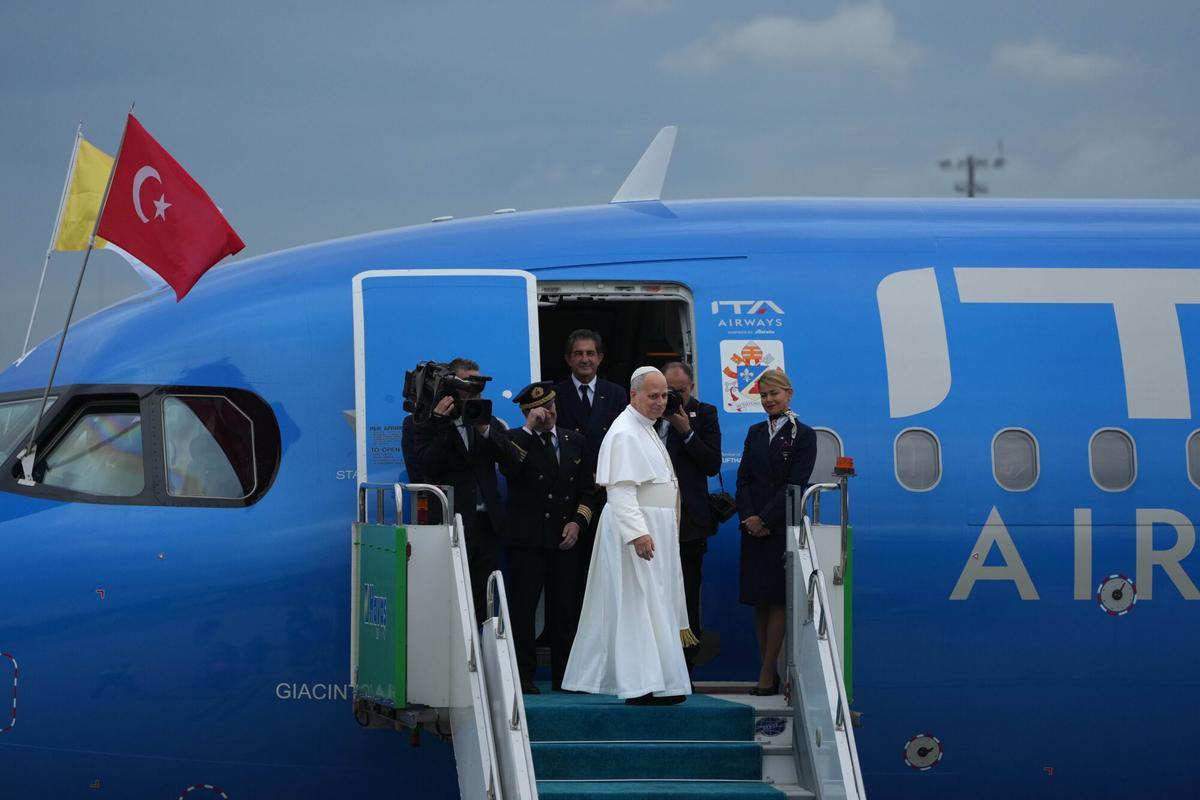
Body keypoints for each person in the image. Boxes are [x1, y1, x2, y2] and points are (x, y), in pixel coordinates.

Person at [562, 367, 692, 705]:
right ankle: (640, 684)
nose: (660, 402)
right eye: (653, 396)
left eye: (664, 395)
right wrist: (637, 533)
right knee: (636, 605)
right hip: (635, 530)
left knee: (653, 604)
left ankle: (660, 680)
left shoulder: (645, 428)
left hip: (653, 528)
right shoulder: (624, 432)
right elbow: (620, 491)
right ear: (634, 395)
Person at [500, 381, 595, 694]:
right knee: (523, 610)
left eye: (552, 407)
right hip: (528, 540)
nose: (548, 414)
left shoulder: (575, 441)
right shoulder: (515, 439)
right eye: (540, 410)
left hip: (563, 539)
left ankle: (566, 675)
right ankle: (523, 675)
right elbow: (512, 469)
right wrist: (529, 429)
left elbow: (588, 490)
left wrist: (578, 522)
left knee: (564, 610)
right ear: (528, 412)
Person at [412, 357, 521, 623]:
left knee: (485, 601)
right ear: (450, 387)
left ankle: (486, 656)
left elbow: (513, 459)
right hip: (450, 527)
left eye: (478, 385)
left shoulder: (488, 421)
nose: (475, 391)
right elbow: (427, 466)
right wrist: (441, 423)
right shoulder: (424, 422)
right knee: (452, 601)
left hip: (486, 526)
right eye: (468, 384)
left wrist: (483, 429)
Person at [736, 368, 817, 695]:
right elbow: (743, 479)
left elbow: (795, 483)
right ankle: (766, 668)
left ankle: (767, 673)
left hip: (779, 527)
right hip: (752, 526)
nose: (769, 400)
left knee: (778, 600)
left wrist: (764, 519)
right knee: (759, 601)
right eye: (764, 395)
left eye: (775, 394)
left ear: (789, 394)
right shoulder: (755, 431)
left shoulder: (804, 434)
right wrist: (747, 516)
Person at [658, 362, 722, 671]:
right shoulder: (648, 416)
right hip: (652, 521)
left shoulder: (704, 413)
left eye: (679, 392)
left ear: (691, 388)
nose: (671, 398)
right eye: (666, 392)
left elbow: (712, 464)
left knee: (686, 596)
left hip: (690, 523)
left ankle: (685, 668)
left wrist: (686, 432)